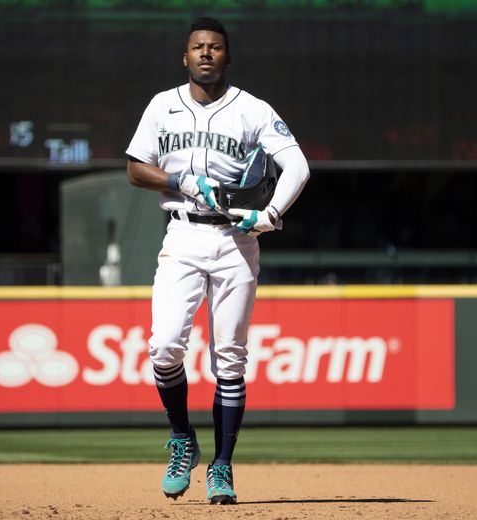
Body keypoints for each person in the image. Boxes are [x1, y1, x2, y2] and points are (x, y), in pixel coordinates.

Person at [125, 17, 310, 505]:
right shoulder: (162, 106)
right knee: (164, 346)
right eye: (197, 47)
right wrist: (180, 182)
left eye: (215, 47)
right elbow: (133, 169)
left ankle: (222, 466)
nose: (206, 53)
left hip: (235, 241)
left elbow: (298, 166)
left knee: (229, 357)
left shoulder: (252, 110)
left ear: (227, 57)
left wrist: (270, 212)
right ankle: (183, 437)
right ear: (184, 57)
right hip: (182, 233)